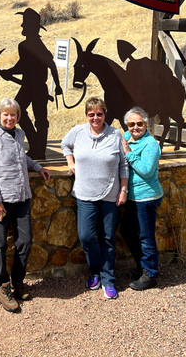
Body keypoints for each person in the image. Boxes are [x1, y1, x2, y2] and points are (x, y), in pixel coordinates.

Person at [0, 98, 51, 312]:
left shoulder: (19, 135)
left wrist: (38, 167)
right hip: (0, 201)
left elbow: (22, 159)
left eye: (13, 115)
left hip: (21, 197)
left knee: (25, 241)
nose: (10, 118)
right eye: (6, 114)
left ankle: (17, 281)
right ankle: (2, 287)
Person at [61, 97, 128, 299]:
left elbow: (123, 165)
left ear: (105, 114)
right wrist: (70, 161)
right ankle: (95, 271)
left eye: (99, 113)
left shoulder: (115, 134)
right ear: (87, 115)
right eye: (92, 114)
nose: (95, 117)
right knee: (86, 236)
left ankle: (108, 279)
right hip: (84, 192)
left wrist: (123, 190)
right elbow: (65, 145)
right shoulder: (78, 132)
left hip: (110, 194)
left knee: (108, 238)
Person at [0, 8, 62, 160]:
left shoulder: (36, 45)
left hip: (38, 87)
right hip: (27, 87)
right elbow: (23, 65)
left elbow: (51, 65)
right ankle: (35, 144)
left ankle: (39, 150)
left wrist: (57, 85)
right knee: (18, 112)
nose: (23, 27)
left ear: (31, 27)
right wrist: (8, 72)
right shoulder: (24, 46)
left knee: (40, 119)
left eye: (25, 25)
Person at [118, 107, 163, 291]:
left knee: (146, 237)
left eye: (139, 124)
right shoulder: (126, 138)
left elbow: (146, 171)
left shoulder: (150, 144)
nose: (135, 127)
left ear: (146, 124)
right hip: (132, 198)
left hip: (146, 197)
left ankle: (150, 274)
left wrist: (129, 153)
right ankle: (141, 266)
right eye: (131, 124)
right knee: (127, 231)